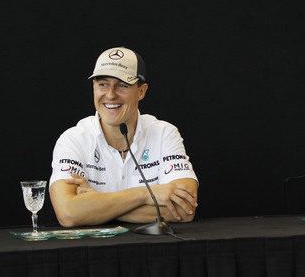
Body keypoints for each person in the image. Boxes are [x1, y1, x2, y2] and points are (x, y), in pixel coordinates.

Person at [49, 47, 198, 227]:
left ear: (141, 91)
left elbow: (184, 210)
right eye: (102, 84)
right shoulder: (72, 139)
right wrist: (146, 194)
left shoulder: (165, 133)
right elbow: (68, 214)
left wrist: (95, 206)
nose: (111, 95)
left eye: (122, 85)